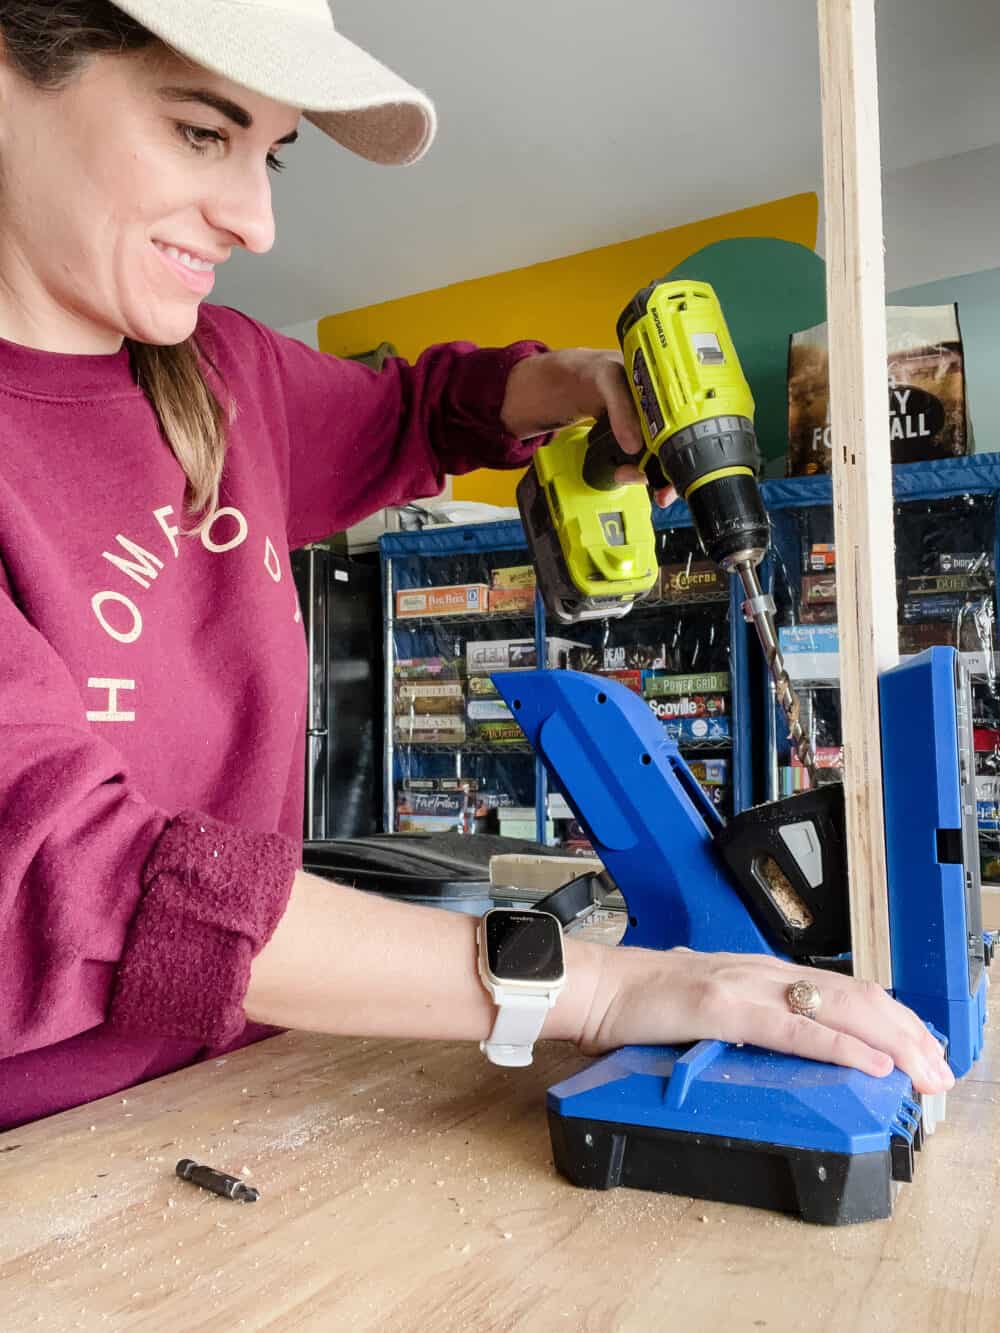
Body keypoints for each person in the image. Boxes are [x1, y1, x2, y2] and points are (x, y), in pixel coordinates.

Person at [0, 0, 952, 1134]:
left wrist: (570, 383)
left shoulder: (224, 374)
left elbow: (414, 408)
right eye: (203, 133)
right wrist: (601, 986)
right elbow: (73, 874)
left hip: (240, 1084)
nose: (255, 222)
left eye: (271, 155)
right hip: (45, 1154)